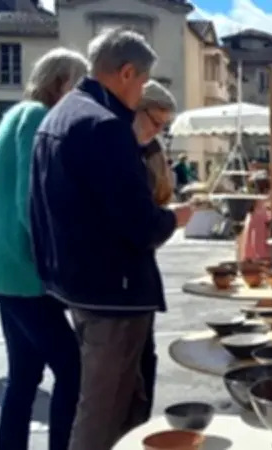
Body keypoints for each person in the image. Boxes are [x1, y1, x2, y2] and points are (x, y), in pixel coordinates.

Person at [28, 29, 194, 450]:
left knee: (116, 402)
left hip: (82, 286)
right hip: (111, 293)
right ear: (125, 73)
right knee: (104, 411)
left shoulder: (60, 114)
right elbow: (138, 224)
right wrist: (172, 218)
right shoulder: (104, 126)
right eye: (141, 82)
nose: (141, 93)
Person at [0, 48, 88, 450]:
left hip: (1, 268)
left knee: (23, 377)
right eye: (79, 85)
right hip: (24, 271)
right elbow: (32, 203)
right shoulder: (39, 118)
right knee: (72, 369)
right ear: (61, 83)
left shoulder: (15, 116)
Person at [134, 80, 178, 420]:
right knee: (121, 385)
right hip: (118, 289)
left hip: (137, 284)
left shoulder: (150, 152)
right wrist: (172, 220)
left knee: (143, 369)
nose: (158, 131)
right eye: (156, 123)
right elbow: (140, 228)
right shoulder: (121, 151)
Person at [238, 172, 271, 260]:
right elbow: (259, 248)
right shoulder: (260, 214)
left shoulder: (253, 213)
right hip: (258, 263)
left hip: (252, 261)